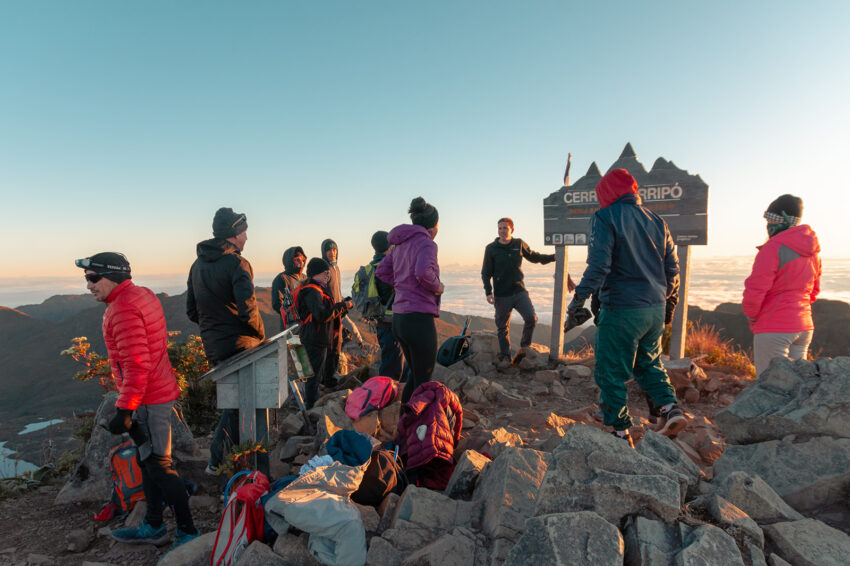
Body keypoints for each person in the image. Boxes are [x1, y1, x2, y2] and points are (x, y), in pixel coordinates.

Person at [75, 252, 199, 549]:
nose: (88, 285)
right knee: (148, 463)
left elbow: (136, 363)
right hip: (153, 392)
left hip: (147, 398)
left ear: (112, 276)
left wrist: (126, 408)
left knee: (160, 467)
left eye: (93, 278)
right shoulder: (141, 295)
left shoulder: (123, 309)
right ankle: (153, 524)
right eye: (86, 279)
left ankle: (188, 531)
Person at [568, 169, 686, 446]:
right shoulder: (658, 221)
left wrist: (579, 299)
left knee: (611, 370)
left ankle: (619, 431)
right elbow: (673, 270)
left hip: (621, 306)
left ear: (606, 194)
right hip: (655, 307)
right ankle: (670, 408)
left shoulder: (604, 217)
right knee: (650, 363)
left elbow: (599, 266)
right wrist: (670, 304)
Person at [186, 207, 265, 474]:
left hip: (213, 344)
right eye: (244, 231)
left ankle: (230, 459)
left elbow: (191, 311)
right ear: (234, 234)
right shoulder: (238, 264)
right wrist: (261, 337)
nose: (246, 236)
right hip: (240, 345)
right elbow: (248, 310)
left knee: (233, 403)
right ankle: (218, 462)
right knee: (238, 405)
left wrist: (214, 330)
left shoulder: (197, 266)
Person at [743, 194, 821, 377]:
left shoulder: (773, 248)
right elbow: (814, 291)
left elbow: (756, 289)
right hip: (804, 327)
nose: (768, 225)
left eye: (771, 219)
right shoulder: (813, 251)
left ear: (782, 220)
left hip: (774, 328)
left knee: (769, 386)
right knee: (798, 386)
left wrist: (752, 316)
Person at [376, 197, 444, 403]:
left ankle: (405, 424)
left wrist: (401, 285)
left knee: (415, 376)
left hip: (399, 319)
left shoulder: (399, 245)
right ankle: (416, 430)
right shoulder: (427, 244)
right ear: (434, 226)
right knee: (424, 380)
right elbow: (423, 273)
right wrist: (438, 287)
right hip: (418, 320)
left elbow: (381, 271)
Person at [481, 218, 570, 366]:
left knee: (531, 318)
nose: (502, 231)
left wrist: (553, 257)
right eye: (500, 228)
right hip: (502, 294)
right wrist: (488, 292)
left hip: (519, 291)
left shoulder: (519, 244)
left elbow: (534, 257)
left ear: (512, 230)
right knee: (503, 328)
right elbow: (486, 273)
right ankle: (506, 357)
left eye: (505, 228)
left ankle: (524, 347)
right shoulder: (491, 248)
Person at [296, 258, 353, 408]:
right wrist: (343, 306)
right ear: (317, 273)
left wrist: (343, 306)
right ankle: (311, 408)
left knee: (314, 375)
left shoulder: (318, 289)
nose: (328, 275)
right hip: (314, 339)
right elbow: (322, 315)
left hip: (317, 337)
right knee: (313, 376)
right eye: (325, 272)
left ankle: (311, 404)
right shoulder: (312, 291)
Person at [367, 230, 408, 380]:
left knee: (390, 360)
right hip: (393, 322)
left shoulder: (371, 267)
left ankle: (389, 394)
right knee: (393, 366)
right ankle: (386, 398)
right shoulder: (389, 267)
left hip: (381, 322)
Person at [271, 246, 307, 332]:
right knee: (295, 345)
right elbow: (277, 303)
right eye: (297, 260)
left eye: (303, 260)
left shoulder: (305, 278)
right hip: (290, 328)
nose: (301, 263)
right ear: (290, 261)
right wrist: (292, 315)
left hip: (307, 325)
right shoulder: (282, 278)